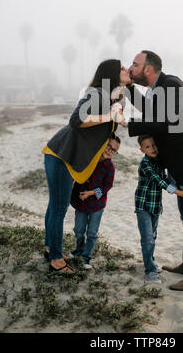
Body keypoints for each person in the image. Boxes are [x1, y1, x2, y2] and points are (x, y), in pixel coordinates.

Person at [123, 50, 183, 291]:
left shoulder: (171, 84)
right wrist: (128, 86)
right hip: (180, 166)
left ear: (149, 68)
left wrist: (128, 123)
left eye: (135, 64)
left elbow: (165, 121)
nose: (131, 67)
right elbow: (150, 110)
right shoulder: (157, 91)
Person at [42, 59, 131, 274]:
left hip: (67, 156)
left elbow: (105, 124)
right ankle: (55, 259)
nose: (127, 69)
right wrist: (110, 115)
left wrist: (118, 111)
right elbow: (76, 120)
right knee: (58, 208)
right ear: (112, 73)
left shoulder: (114, 97)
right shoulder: (98, 92)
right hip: (61, 155)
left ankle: (50, 247)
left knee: (55, 206)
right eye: (122, 68)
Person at [135, 134, 183, 284]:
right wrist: (181, 193)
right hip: (143, 206)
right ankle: (150, 272)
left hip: (155, 206)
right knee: (147, 238)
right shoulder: (146, 164)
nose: (152, 149)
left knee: (152, 236)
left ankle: (151, 262)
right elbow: (160, 181)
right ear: (142, 150)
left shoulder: (159, 162)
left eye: (154, 145)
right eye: (148, 147)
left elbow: (167, 178)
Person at [69, 133, 120, 269]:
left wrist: (91, 193)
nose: (109, 150)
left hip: (97, 205)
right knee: (79, 229)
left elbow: (107, 186)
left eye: (113, 150)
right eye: (108, 146)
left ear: (115, 153)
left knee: (92, 233)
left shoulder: (110, 167)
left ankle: (87, 258)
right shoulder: (90, 158)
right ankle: (79, 250)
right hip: (80, 201)